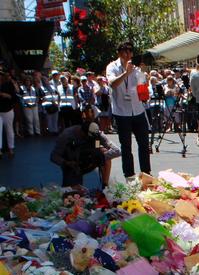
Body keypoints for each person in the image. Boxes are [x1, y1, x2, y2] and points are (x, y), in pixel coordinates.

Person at [106, 41, 151, 178]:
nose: (128, 54)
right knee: (126, 146)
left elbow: (143, 89)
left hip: (137, 109)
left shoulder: (136, 68)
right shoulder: (112, 67)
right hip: (121, 111)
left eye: (130, 51)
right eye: (125, 51)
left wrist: (145, 80)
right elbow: (112, 84)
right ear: (119, 53)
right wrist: (126, 73)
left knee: (144, 143)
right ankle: (129, 175)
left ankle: (146, 173)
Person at [50, 107, 120, 188]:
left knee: (105, 158)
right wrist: (66, 163)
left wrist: (102, 155)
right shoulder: (67, 135)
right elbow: (54, 156)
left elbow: (117, 151)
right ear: (82, 132)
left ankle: (105, 186)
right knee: (74, 193)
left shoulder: (97, 134)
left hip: (90, 159)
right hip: (72, 164)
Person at [0, 70, 18, 158]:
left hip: (7, 109)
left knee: (9, 130)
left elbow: (14, 97)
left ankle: (11, 148)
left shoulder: (8, 85)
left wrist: (6, 95)